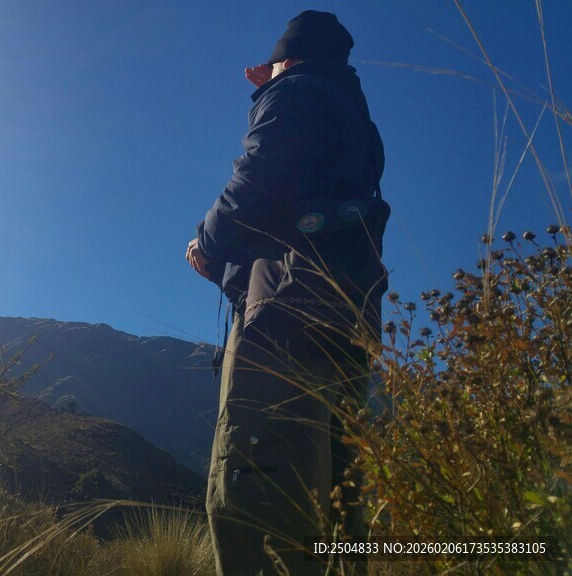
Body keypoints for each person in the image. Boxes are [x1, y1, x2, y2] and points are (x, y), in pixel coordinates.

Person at [185, 11, 389, 576]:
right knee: (335, 478)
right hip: (349, 316)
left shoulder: (294, 93)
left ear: (290, 57)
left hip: (283, 310)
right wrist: (278, 79)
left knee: (252, 482)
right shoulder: (355, 120)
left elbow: (255, 178)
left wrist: (206, 242)